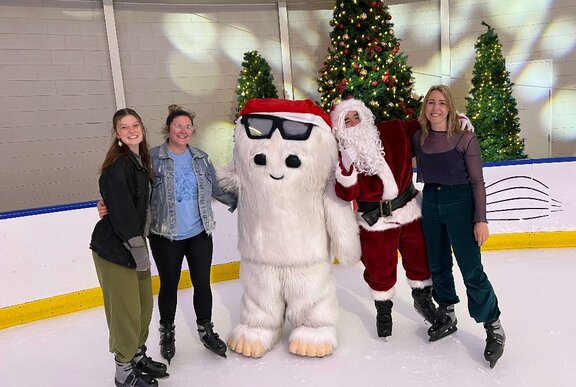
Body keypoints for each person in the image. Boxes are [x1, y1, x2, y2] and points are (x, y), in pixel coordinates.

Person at [99, 105, 236, 362]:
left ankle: (206, 329)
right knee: (169, 286)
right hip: (165, 236)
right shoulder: (152, 158)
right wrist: (105, 201)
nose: (183, 131)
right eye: (178, 126)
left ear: (192, 131)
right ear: (167, 129)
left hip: (199, 233)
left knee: (202, 283)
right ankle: (167, 331)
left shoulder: (201, 158)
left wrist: (241, 200)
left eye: (188, 127)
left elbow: (216, 189)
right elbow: (132, 189)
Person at [412, 85, 505, 368]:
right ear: (425, 107)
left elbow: (477, 182)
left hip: (460, 202)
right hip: (430, 201)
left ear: (450, 108)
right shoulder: (419, 138)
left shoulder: (465, 139)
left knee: (471, 269)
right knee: (438, 264)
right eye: (431, 103)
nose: (436, 108)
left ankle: (494, 327)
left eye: (442, 103)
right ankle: (448, 313)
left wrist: (481, 219)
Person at [331, 98, 439, 340]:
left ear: (365, 117)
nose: (354, 124)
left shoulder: (393, 130)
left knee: (421, 260)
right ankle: (384, 311)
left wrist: (454, 123)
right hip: (375, 222)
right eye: (346, 122)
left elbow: (424, 126)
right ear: (340, 129)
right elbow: (345, 194)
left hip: (410, 211)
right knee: (379, 269)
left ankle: (423, 301)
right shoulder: (341, 156)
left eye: (356, 117)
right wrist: (346, 170)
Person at [90, 108, 168, 387]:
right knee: (125, 312)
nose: (132, 130)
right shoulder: (118, 166)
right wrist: (138, 251)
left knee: (143, 308)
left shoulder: (139, 160)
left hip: (135, 245)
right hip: (115, 250)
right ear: (117, 134)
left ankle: (137, 355)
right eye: (124, 127)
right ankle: (123, 370)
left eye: (136, 124)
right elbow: (121, 213)